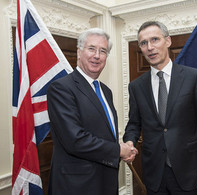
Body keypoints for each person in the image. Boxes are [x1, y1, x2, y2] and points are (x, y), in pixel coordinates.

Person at [123, 21, 197, 195]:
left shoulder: (193, 77)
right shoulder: (136, 86)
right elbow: (134, 123)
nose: (150, 47)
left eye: (155, 40)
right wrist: (129, 141)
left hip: (190, 173)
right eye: (144, 43)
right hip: (154, 174)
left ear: (168, 41)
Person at [47, 28, 137, 195]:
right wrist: (118, 150)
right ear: (79, 52)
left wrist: (122, 147)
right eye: (91, 48)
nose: (97, 55)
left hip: (106, 181)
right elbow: (75, 140)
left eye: (103, 51)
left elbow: (102, 134)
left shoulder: (105, 91)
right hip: (77, 186)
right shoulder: (61, 88)